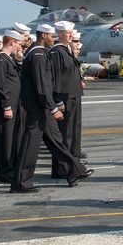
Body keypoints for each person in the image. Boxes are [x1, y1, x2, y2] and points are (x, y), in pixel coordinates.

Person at [12, 24, 92, 193]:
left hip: (40, 106)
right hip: (39, 108)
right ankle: (21, 182)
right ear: (42, 36)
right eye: (51, 36)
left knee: (56, 141)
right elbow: (42, 85)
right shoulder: (39, 54)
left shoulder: (36, 52)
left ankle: (74, 172)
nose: (53, 39)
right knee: (30, 146)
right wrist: (53, 106)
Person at [49, 20, 82, 178]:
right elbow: (55, 77)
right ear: (60, 33)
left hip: (74, 95)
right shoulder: (57, 52)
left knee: (74, 133)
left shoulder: (66, 49)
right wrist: (58, 100)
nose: (70, 35)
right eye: (67, 33)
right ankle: (62, 169)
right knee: (65, 134)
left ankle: (73, 164)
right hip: (65, 97)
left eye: (71, 33)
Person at [0, 30, 23, 183]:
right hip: (7, 105)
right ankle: (4, 172)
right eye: (18, 44)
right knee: (5, 139)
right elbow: (0, 84)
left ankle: (10, 167)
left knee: (11, 138)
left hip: (13, 103)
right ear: (11, 42)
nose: (19, 47)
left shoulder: (7, 59)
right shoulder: (0, 60)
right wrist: (6, 105)